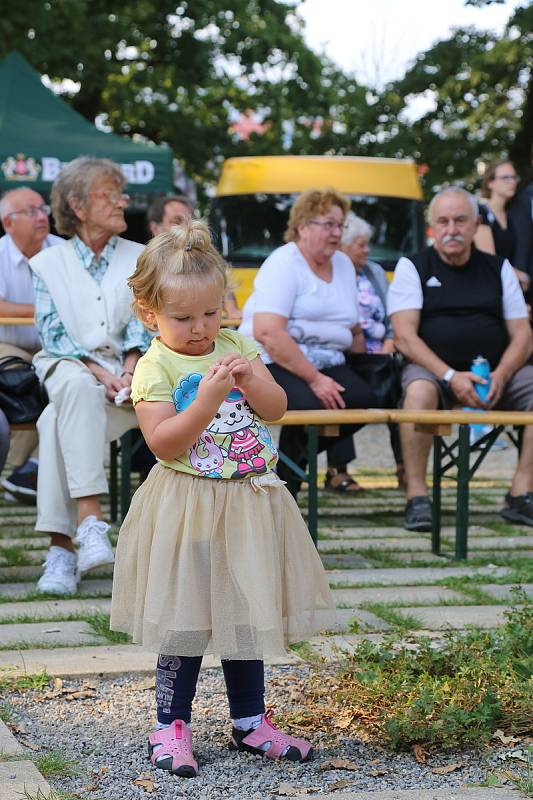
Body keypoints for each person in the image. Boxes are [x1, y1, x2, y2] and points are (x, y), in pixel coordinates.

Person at [110, 220, 335, 777]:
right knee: (184, 617)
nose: (200, 328)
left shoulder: (235, 343)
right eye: (183, 318)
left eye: (211, 314)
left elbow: (276, 406)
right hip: (187, 503)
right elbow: (163, 443)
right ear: (149, 313)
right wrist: (208, 399)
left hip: (246, 501)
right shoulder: (154, 366)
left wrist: (251, 382)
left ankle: (250, 720)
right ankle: (170, 722)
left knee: (245, 609)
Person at [30, 156, 151, 595]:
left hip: (128, 379)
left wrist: (130, 368)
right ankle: (91, 521)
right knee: (77, 384)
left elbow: (145, 320)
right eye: (110, 193)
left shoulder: (140, 257)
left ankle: (62, 550)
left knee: (51, 423)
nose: (122, 201)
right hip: (70, 365)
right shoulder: (48, 263)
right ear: (78, 206)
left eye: (122, 192)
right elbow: (52, 333)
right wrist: (101, 370)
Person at [388, 186, 533, 532]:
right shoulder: (413, 266)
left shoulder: (499, 269)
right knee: (418, 394)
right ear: (432, 228)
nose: (451, 229)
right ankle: (417, 496)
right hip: (434, 369)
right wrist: (451, 375)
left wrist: (502, 373)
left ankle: (522, 490)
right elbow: (405, 337)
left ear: (475, 225)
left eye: (460, 220)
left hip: (496, 372)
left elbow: (523, 334)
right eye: (443, 221)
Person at [239, 189, 375, 495]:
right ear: (303, 226)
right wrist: (315, 380)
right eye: (328, 224)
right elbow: (268, 332)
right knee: (311, 403)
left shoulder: (342, 263)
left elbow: (353, 326)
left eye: (341, 225)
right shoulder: (284, 262)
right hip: (273, 358)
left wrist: (361, 365)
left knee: (365, 397)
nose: (337, 233)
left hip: (328, 358)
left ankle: (284, 473)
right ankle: (286, 481)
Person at [0, 187, 63, 504]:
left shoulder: (63, 250)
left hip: (54, 347)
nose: (42, 217)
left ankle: (29, 469)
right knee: (20, 376)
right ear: (8, 223)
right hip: (7, 345)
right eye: (32, 211)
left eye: (43, 209)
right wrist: (42, 309)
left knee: (67, 381)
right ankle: (26, 470)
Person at [341, 212, 404, 487]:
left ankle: (404, 467)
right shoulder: (332, 272)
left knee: (403, 392)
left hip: (380, 354)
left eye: (367, 244)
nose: (367, 250)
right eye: (361, 244)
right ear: (343, 246)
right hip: (346, 354)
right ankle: (338, 470)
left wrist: (388, 345)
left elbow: (393, 315)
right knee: (340, 391)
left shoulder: (375, 272)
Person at [147, 193, 242, 321]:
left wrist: (232, 309)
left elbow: (223, 281)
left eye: (190, 220)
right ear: (155, 228)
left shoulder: (203, 252)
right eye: (177, 221)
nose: (186, 226)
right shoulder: (146, 261)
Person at [474, 159, 530, 293]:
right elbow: (490, 260)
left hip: (510, 286)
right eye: (505, 177)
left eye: (514, 177)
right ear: (490, 182)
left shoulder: (513, 215)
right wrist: (523, 276)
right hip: (487, 287)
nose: (512, 182)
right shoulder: (481, 212)